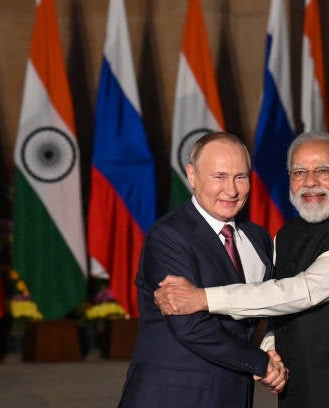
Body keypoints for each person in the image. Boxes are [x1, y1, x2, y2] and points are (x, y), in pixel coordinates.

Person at [154, 131, 329, 408]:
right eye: (299, 172)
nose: (310, 182)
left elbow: (305, 290)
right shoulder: (284, 236)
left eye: (323, 171)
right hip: (301, 390)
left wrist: (203, 298)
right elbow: (277, 310)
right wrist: (269, 350)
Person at [118, 132, 287, 408]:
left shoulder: (259, 239)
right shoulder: (168, 236)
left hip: (234, 395)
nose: (231, 190)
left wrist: (270, 348)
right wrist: (261, 363)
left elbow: (267, 304)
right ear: (192, 176)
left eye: (240, 177)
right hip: (172, 396)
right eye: (219, 176)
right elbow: (191, 326)